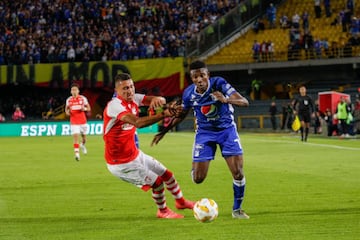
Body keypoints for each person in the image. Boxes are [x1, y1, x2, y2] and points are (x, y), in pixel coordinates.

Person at [152, 60, 250, 219]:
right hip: (204, 134)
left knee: (238, 173)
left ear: (208, 75)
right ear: (192, 78)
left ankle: (237, 209)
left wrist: (226, 100)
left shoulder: (219, 84)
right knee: (198, 179)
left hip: (227, 131)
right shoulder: (189, 93)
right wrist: (164, 131)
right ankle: (195, 164)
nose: (199, 80)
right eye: (195, 77)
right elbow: (182, 115)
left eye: (202, 76)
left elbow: (244, 102)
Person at [103, 73, 194, 219]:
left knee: (167, 174)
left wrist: (159, 100)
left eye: (132, 86)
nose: (130, 91)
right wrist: (164, 114)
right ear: (117, 90)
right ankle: (162, 211)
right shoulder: (115, 106)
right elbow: (138, 123)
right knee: (157, 182)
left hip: (134, 154)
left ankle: (181, 202)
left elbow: (157, 100)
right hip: (120, 163)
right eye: (125, 88)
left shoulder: (133, 98)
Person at [65, 83, 91, 161]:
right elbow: (66, 109)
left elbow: (89, 108)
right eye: (72, 90)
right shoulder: (69, 100)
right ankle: (77, 154)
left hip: (83, 121)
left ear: (78, 91)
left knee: (84, 138)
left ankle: (82, 145)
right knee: (76, 137)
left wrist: (85, 109)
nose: (74, 91)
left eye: (75, 90)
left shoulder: (83, 98)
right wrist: (67, 112)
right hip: (74, 121)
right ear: (71, 91)